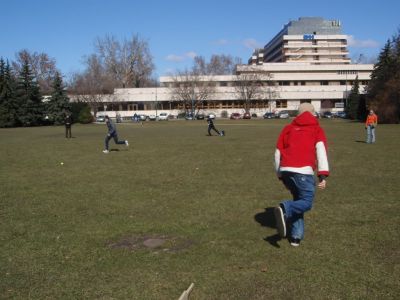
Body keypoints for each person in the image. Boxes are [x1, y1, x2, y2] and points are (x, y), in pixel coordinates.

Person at [273, 103, 329, 247]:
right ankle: (285, 208)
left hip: (286, 170)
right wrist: (322, 175)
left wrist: (280, 174)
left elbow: (278, 152)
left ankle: (295, 237)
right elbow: (321, 151)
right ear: (313, 113)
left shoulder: (288, 129)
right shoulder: (316, 129)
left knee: (298, 200)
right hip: (303, 171)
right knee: (306, 202)